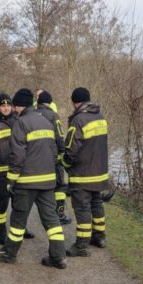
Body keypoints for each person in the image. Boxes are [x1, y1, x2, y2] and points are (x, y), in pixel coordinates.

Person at [0, 88, 67, 269]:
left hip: (27, 181)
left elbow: (17, 155)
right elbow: (54, 150)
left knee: (18, 219)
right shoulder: (46, 121)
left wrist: (11, 180)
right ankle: (58, 257)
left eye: (14, 106)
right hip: (48, 180)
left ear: (17, 106)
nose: (13, 110)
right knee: (52, 219)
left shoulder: (21, 123)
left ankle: (9, 253)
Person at [0, 93, 36, 244]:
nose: (6, 108)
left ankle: (20, 228)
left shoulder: (19, 121)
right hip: (0, 172)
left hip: (17, 170)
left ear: (12, 106)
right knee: (2, 203)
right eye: (3, 106)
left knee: (19, 203)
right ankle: (0, 231)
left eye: (8, 105)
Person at [62, 87, 110, 257]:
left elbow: (71, 149)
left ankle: (81, 245)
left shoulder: (79, 120)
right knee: (96, 204)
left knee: (82, 207)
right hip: (100, 172)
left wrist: (65, 163)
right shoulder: (101, 117)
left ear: (75, 102)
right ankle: (99, 237)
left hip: (83, 173)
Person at [35, 90, 72, 225]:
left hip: (36, 157)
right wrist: (63, 152)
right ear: (50, 102)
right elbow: (59, 135)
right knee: (60, 185)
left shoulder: (32, 114)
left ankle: (45, 212)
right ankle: (60, 213)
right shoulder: (53, 115)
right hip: (53, 156)